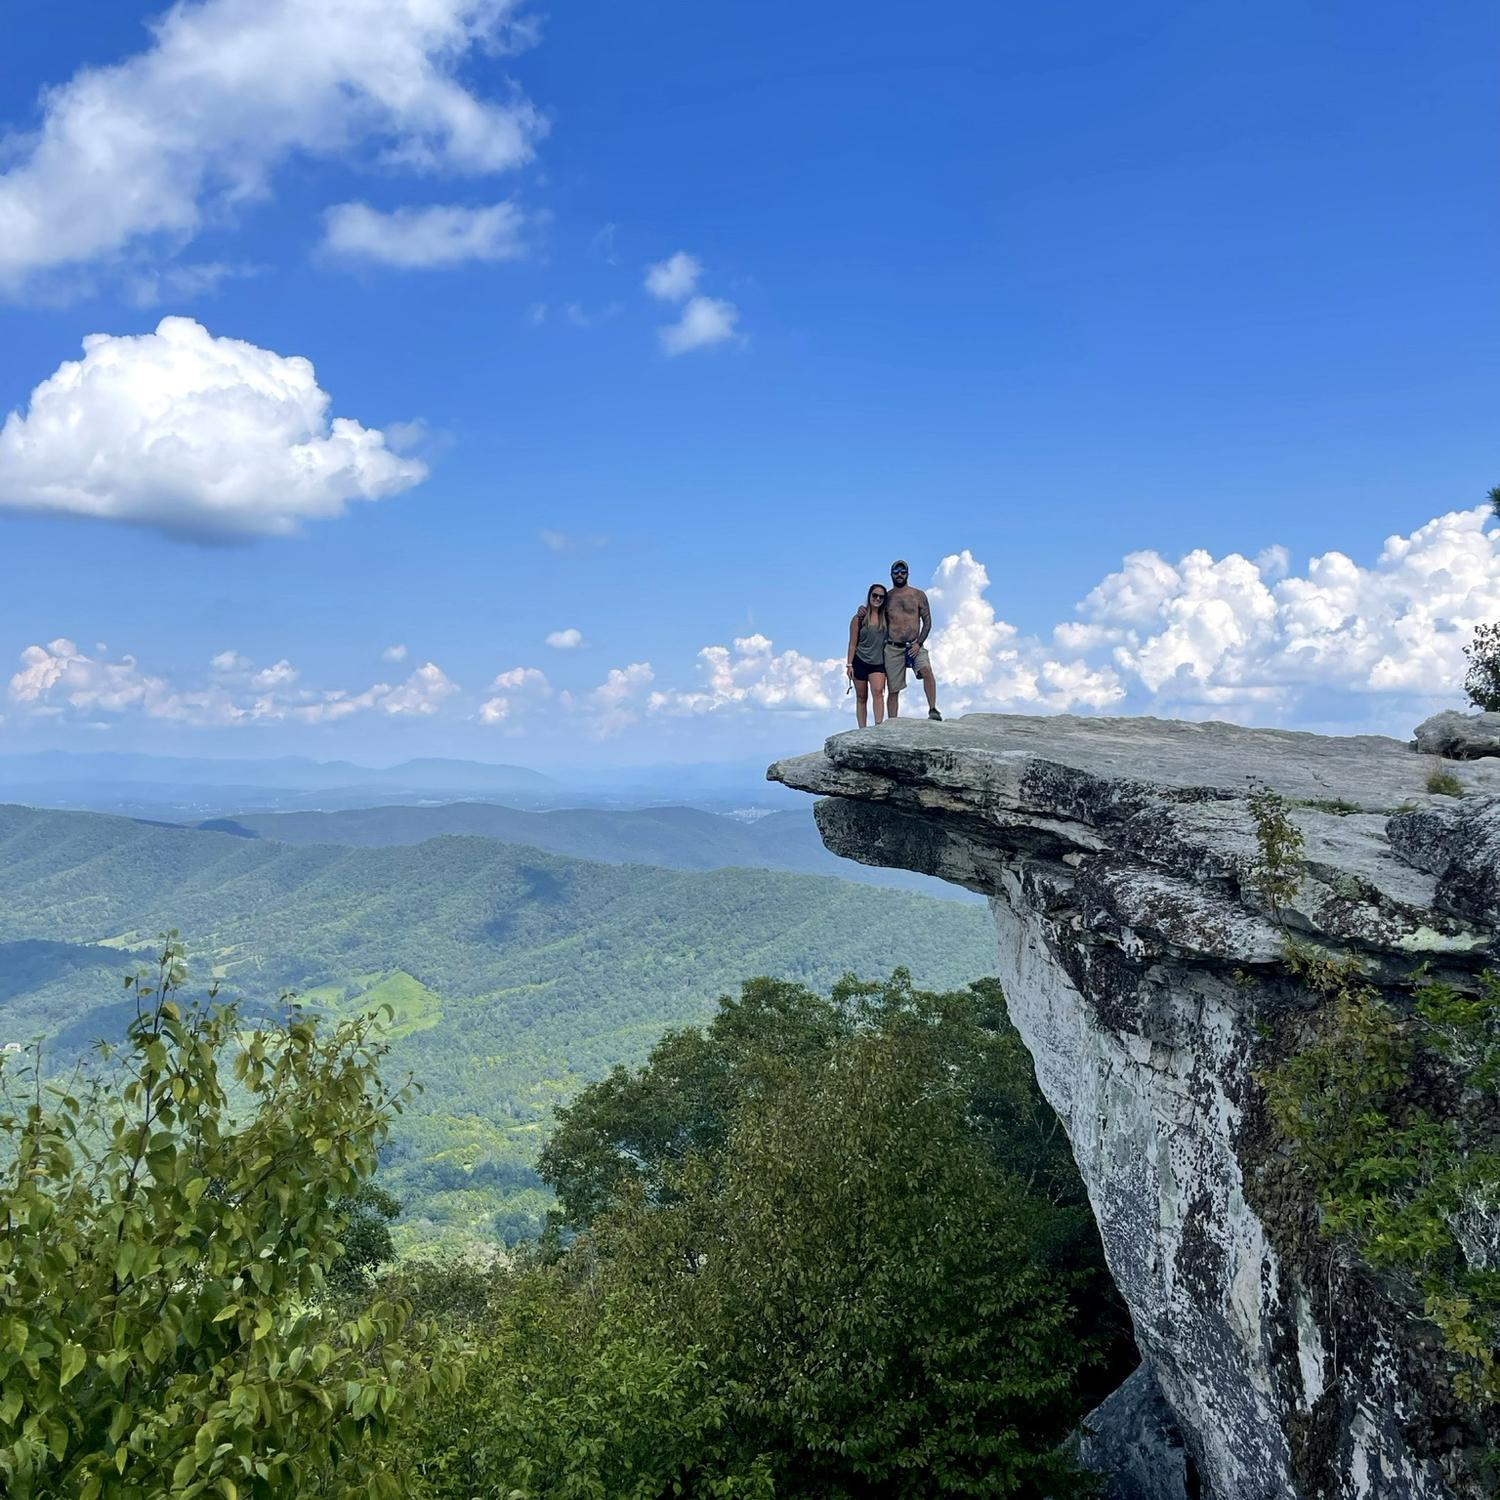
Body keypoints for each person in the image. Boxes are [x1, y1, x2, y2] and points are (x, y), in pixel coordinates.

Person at [883, 558, 942, 721]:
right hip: (893, 646)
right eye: (896, 572)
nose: (900, 574)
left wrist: (919, 643)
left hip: (914, 644)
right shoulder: (886, 597)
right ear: (891, 575)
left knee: (927, 671)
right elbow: (875, 615)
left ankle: (933, 709)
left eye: (903, 572)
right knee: (893, 688)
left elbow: (927, 621)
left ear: (907, 574)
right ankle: (892, 721)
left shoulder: (918, 595)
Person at [845, 583, 890, 727]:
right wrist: (849, 664)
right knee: (861, 697)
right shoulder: (859, 618)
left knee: (878, 692)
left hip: (878, 662)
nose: (877, 599)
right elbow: (852, 643)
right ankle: (862, 729)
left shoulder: (887, 618)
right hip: (860, 661)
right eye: (874, 595)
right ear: (869, 596)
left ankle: (878, 726)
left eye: (881, 597)